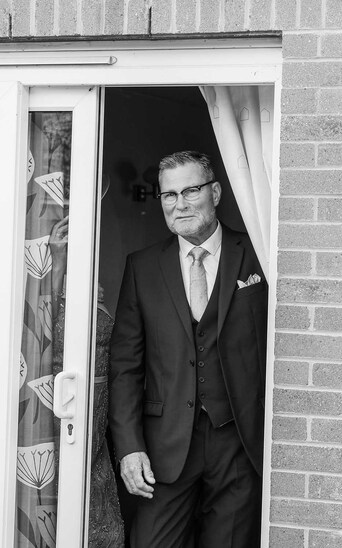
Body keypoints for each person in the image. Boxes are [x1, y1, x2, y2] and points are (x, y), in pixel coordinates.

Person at [108, 151, 268, 547]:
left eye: (191, 190)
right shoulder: (142, 267)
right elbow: (125, 365)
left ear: (215, 192)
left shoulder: (260, 253)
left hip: (239, 443)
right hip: (164, 445)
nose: (179, 204)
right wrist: (129, 447)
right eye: (168, 195)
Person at [50, 216, 126, 548]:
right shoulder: (45, 294)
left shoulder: (94, 294)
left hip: (97, 402)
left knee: (93, 481)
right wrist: (56, 260)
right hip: (61, 403)